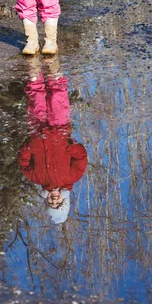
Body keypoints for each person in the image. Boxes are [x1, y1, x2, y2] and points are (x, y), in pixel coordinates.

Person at [18, 58, 88, 224]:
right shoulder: (73, 176)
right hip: (60, 131)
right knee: (57, 99)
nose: (54, 200)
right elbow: (81, 158)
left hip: (37, 131)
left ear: (47, 200)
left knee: (36, 101)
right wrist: (69, 148)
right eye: (58, 203)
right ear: (64, 200)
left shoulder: (36, 178)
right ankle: (53, 69)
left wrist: (29, 147)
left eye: (51, 203)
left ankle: (34, 72)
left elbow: (24, 162)